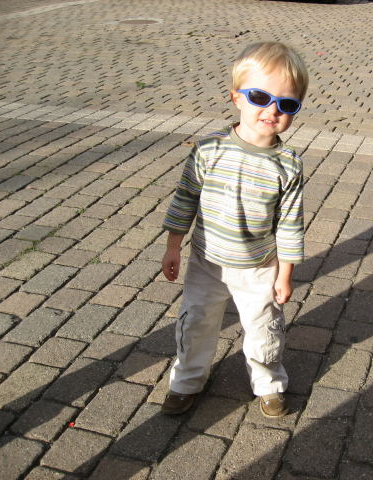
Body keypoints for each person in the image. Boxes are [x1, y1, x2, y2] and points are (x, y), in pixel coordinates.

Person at [160, 41, 308, 418]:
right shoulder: (208, 150)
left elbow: (290, 223)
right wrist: (173, 246)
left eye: (287, 104)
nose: (272, 110)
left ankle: (268, 382)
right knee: (196, 323)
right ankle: (188, 379)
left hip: (259, 266)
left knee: (264, 328)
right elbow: (185, 199)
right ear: (236, 97)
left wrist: (285, 274)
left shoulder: (288, 164)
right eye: (260, 97)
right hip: (207, 262)